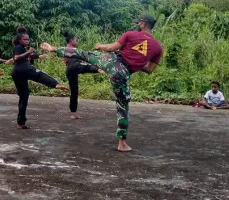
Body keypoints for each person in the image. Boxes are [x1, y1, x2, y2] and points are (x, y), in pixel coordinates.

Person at [40, 14, 163, 152]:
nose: (138, 24)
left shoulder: (130, 34)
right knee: (123, 107)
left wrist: (100, 46)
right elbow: (149, 69)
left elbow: (111, 48)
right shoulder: (158, 47)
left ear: (143, 24)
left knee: (83, 54)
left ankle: (54, 49)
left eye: (139, 22)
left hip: (110, 60)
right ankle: (122, 143)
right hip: (122, 73)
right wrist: (137, 61)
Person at [11, 27, 68, 129]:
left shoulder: (22, 48)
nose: (27, 41)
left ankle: (21, 122)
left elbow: (31, 56)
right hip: (23, 69)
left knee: (24, 96)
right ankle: (55, 84)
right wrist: (28, 52)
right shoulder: (19, 47)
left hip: (17, 73)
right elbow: (16, 58)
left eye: (28, 39)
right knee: (40, 74)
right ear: (20, 40)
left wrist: (40, 56)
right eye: (25, 39)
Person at [62, 30, 104, 119]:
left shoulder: (66, 48)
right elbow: (83, 61)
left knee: (74, 91)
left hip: (70, 70)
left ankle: (73, 114)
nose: (77, 41)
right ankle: (99, 69)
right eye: (76, 40)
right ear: (71, 40)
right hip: (73, 65)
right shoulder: (72, 49)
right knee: (88, 66)